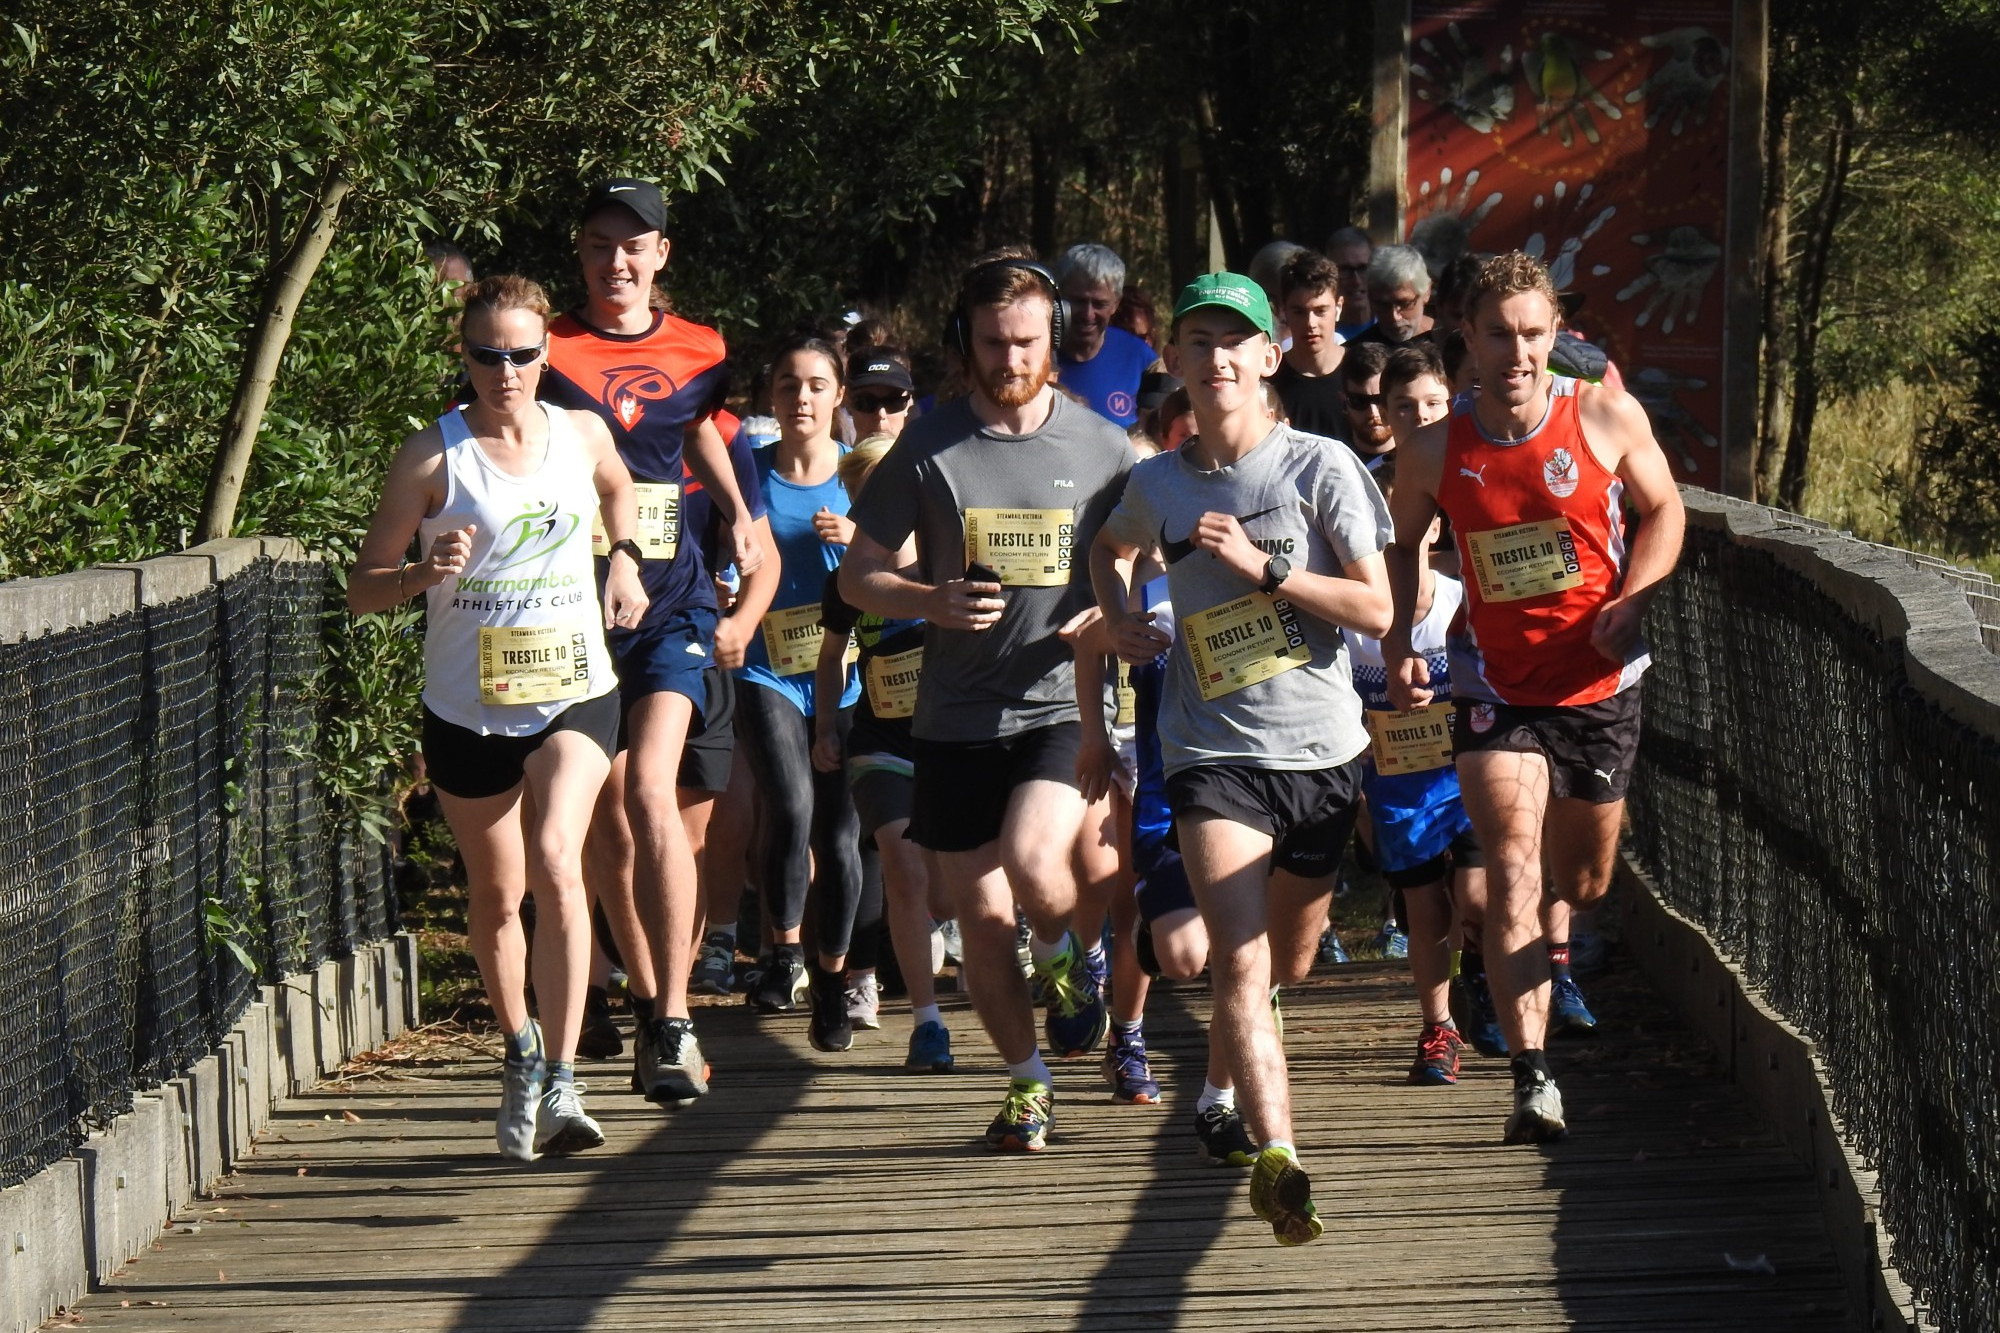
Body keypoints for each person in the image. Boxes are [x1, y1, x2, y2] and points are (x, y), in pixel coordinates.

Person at [1091, 271, 1392, 1245]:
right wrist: (1125, 615)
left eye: (1235, 340)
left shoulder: (1320, 469)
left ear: (1269, 358)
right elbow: (1109, 545)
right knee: (1237, 955)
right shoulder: (1156, 483)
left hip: (1320, 752)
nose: (1215, 356)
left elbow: (1377, 611)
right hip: (1209, 750)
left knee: (1285, 964)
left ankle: (1218, 1088)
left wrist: (1266, 569)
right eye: (1196, 340)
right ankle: (1280, 1159)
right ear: (1173, 363)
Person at [1383, 250, 1685, 1145]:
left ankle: (1549, 954)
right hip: (1494, 681)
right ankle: (1533, 1076)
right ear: (1464, 338)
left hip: (1595, 680)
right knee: (1509, 863)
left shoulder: (1601, 412)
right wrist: (1402, 636)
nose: (1516, 352)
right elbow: (1405, 541)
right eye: (1498, 334)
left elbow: (1665, 509)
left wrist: (1632, 597)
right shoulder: (1435, 445)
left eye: (1532, 334)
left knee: (1581, 878)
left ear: (1555, 336)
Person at [840, 247, 1133, 1152]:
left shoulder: (1100, 445)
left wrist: (1116, 614)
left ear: (1053, 342)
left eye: (1026, 342)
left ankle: (1069, 958)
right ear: (965, 346)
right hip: (953, 718)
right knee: (980, 915)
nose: (1011, 360)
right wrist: (927, 600)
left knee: (1034, 859)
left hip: (1056, 701)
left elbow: (1135, 555)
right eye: (993, 344)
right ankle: (1027, 1084)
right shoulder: (927, 448)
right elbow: (857, 576)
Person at [349, 274, 647, 1159]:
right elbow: (364, 590)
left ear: (547, 350)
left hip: (573, 686)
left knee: (559, 857)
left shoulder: (582, 431)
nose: (506, 371)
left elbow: (619, 487)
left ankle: (561, 1075)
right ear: (464, 355)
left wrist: (624, 558)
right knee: (496, 891)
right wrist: (418, 572)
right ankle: (518, 1049)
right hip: (467, 706)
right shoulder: (432, 457)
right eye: (488, 354)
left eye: (522, 353)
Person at [539, 178, 760, 1108]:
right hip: (571, 609)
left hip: (672, 607)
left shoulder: (703, 349)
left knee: (649, 786)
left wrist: (742, 515)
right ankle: (638, 987)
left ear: (662, 254)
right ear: (581, 253)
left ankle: (671, 1015)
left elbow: (699, 433)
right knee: (595, 820)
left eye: (634, 247)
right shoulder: (544, 350)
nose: (616, 263)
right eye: (599, 245)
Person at [732, 336, 871, 1053]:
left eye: (817, 384)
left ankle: (832, 979)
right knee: (790, 802)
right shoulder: (747, 472)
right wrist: (727, 582)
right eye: (789, 384)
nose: (803, 398)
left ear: (838, 394)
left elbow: (907, 560)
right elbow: (711, 544)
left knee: (841, 836)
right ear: (772, 397)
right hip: (766, 665)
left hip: (843, 672)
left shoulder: (861, 476)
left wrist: (857, 538)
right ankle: (783, 948)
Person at [814, 433, 955, 1072]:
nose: (877, 504)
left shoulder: (949, 566)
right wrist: (824, 727)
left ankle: (1001, 953)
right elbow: (829, 659)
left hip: (952, 741)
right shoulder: (848, 579)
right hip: (880, 740)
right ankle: (924, 1020)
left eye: (887, 488)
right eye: (862, 492)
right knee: (901, 862)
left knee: (950, 890)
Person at [1055, 243, 1160, 429]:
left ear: (1115, 304)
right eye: (1078, 301)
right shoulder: (1035, 353)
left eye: (1099, 304)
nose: (1088, 314)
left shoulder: (1139, 358)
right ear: (1059, 297)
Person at [1270, 250, 1350, 440]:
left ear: (1338, 308)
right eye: (1299, 312)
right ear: (1283, 311)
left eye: (1320, 311)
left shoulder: (1365, 373)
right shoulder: (1270, 382)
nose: (1310, 323)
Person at [1355, 244, 1435, 348]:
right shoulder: (1357, 354)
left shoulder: (1451, 343)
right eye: (1383, 305)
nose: (1394, 317)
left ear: (1426, 292)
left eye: (1404, 303)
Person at [1338, 341, 1395, 467]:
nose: (1373, 413)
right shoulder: (1334, 462)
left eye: (1381, 399)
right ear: (1344, 402)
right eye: (1359, 401)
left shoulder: (1422, 454)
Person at [847, 345, 917, 441]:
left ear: (909, 403)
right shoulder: (834, 456)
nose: (881, 414)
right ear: (848, 404)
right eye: (866, 402)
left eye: (893, 402)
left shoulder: (926, 455)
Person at [1326, 226, 1375, 341]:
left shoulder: (1392, 326)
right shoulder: (1318, 335)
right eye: (1345, 270)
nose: (1356, 281)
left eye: (1363, 268)